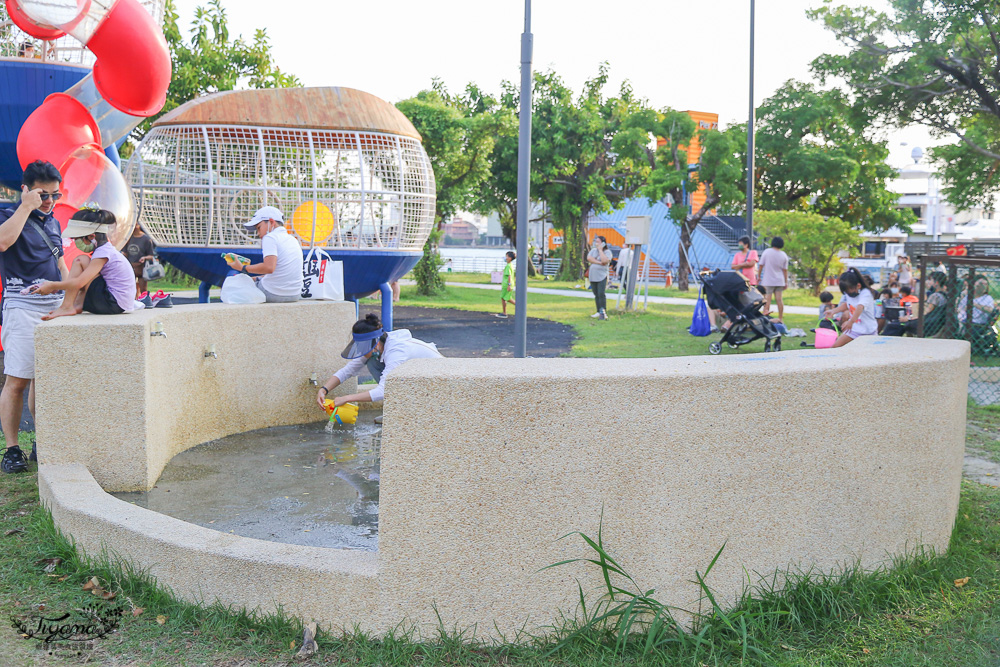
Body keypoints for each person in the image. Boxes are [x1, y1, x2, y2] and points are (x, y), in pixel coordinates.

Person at [0, 161, 69, 473]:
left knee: (45, 380)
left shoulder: (53, 222)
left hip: (53, 308)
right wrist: (25, 207)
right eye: (43, 195)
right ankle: (12, 449)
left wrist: (70, 302)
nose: (49, 202)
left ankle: (43, 442)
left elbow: (62, 267)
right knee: (17, 381)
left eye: (55, 195)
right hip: (21, 307)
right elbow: (3, 242)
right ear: (27, 189)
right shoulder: (9, 214)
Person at [28, 207, 140, 319]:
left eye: (77, 239)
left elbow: (79, 283)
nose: (76, 242)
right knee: (84, 263)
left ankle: (67, 306)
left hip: (112, 303)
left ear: (91, 236)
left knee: (80, 260)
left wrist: (52, 285)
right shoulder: (106, 250)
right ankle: (76, 305)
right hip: (117, 303)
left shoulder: (103, 253)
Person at [317, 314, 442, 412]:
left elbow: (383, 391)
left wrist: (347, 398)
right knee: (372, 362)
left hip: (438, 381)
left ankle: (400, 413)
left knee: (375, 365)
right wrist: (324, 390)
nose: (360, 351)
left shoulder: (396, 352)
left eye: (362, 347)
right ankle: (395, 412)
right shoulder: (378, 346)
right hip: (418, 379)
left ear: (375, 343)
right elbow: (347, 370)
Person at [224, 206, 302, 302]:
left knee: (234, 283)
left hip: (273, 293)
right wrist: (257, 278)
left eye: (259, 227)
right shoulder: (292, 239)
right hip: (295, 294)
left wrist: (242, 268)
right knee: (253, 280)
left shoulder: (270, 238)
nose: (258, 233)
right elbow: (282, 272)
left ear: (271, 222)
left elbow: (269, 268)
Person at [824, 268, 878, 347]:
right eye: (846, 291)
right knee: (835, 347)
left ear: (858, 286)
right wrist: (833, 311)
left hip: (868, 331)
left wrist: (851, 321)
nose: (848, 293)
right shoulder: (849, 293)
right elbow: (847, 304)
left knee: (867, 354)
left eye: (850, 290)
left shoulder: (865, 293)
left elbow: (860, 307)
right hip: (854, 330)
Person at [757, 236, 789, 322]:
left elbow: (761, 265)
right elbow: (785, 270)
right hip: (779, 280)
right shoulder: (784, 255)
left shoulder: (767, 252)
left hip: (768, 280)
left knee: (767, 300)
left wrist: (758, 276)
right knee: (779, 300)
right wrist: (786, 282)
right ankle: (780, 318)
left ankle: (765, 317)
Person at [122, 222, 156, 298]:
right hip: (130, 266)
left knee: (143, 289)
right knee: (130, 288)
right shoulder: (128, 238)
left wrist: (144, 258)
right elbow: (125, 252)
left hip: (141, 268)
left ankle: (145, 301)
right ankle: (133, 301)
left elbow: (151, 255)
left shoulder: (146, 239)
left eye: (136, 224)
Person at [587, 236, 612, 320]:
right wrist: (598, 262)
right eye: (595, 241)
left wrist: (601, 250)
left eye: (598, 242)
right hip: (593, 275)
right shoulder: (593, 251)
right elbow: (589, 258)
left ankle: (603, 310)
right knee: (596, 293)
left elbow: (605, 261)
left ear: (603, 243)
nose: (596, 243)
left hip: (602, 275)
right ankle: (598, 310)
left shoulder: (607, 252)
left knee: (601, 293)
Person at [497, 251, 515, 318]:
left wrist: (509, 285)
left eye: (506, 256)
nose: (505, 258)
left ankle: (505, 313)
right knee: (504, 298)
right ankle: (504, 312)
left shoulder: (508, 266)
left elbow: (509, 276)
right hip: (506, 284)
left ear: (510, 258)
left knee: (506, 298)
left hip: (507, 285)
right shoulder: (510, 265)